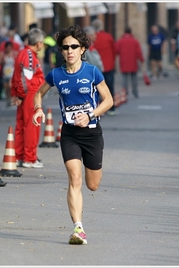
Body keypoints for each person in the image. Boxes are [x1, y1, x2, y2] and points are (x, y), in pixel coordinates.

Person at [32, 24, 113, 245]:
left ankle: (80, 223)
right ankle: (78, 228)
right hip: (69, 133)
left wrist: (90, 115)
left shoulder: (92, 72)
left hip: (92, 133)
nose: (69, 51)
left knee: (92, 184)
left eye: (74, 46)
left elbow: (109, 101)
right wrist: (38, 109)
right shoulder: (56, 75)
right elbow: (38, 94)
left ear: (82, 49)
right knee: (74, 178)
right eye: (65, 47)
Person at [10, 28, 46, 168]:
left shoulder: (23, 53)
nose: (42, 46)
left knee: (21, 126)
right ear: (38, 43)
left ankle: (20, 156)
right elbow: (25, 79)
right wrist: (20, 94)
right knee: (32, 125)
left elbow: (16, 76)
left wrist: (16, 94)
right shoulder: (29, 56)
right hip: (30, 94)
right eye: (42, 43)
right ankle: (29, 158)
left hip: (25, 94)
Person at [92, 19, 117, 116]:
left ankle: (98, 109)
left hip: (96, 67)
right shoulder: (108, 37)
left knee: (96, 89)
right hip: (108, 66)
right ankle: (111, 108)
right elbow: (114, 51)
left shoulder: (93, 38)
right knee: (109, 88)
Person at [116, 27, 144, 98]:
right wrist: (141, 59)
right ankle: (135, 92)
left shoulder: (120, 41)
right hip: (133, 61)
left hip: (124, 61)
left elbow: (116, 51)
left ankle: (125, 92)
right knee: (134, 78)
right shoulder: (135, 41)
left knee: (124, 79)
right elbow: (138, 51)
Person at [0, 41, 18, 106]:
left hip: (12, 73)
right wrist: (2, 61)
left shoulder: (14, 53)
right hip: (5, 73)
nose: (9, 49)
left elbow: (18, 61)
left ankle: (13, 98)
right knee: (6, 88)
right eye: (7, 48)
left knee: (10, 86)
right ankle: (8, 98)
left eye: (10, 48)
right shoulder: (3, 54)